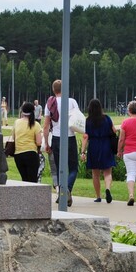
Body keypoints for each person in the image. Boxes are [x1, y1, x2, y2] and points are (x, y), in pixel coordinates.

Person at [42, 79, 80, 207]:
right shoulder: (72, 102)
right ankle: (67, 188)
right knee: (74, 167)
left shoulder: (50, 103)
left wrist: (46, 142)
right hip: (70, 136)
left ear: (54, 90)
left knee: (58, 168)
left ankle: (61, 192)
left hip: (57, 137)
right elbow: (78, 120)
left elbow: (46, 126)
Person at [80, 98, 117, 203]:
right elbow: (114, 130)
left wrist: (83, 152)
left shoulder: (88, 121)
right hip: (106, 145)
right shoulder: (107, 118)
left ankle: (98, 196)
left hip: (94, 146)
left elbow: (85, 137)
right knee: (107, 172)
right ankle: (108, 189)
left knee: (95, 173)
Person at [12, 101, 42, 182]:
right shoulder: (36, 124)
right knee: (32, 180)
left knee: (24, 180)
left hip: (18, 154)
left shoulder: (16, 122)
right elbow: (39, 142)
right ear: (33, 111)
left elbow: (13, 138)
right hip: (31, 153)